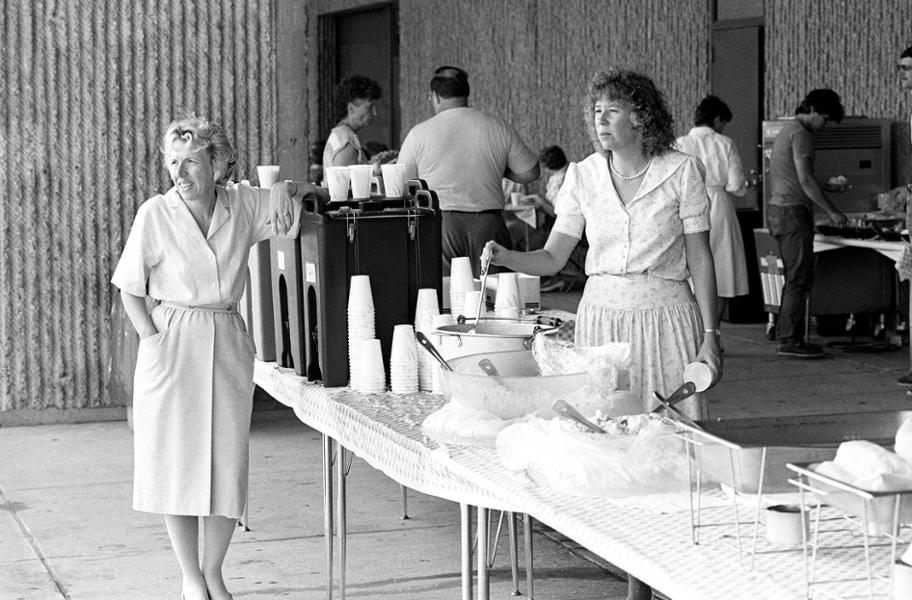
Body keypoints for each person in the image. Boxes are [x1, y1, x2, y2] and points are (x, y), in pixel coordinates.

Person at [482, 69, 722, 600]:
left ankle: (677, 570)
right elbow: (553, 258)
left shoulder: (681, 170)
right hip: (602, 323)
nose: (601, 120)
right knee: (609, 440)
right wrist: (506, 256)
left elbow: (701, 259)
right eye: (596, 111)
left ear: (642, 117)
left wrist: (711, 334)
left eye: (613, 110)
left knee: (670, 443)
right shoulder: (584, 175)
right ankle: (633, 573)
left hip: (667, 317)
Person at [112, 115, 328, 600]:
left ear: (218, 163)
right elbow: (129, 288)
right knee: (175, 463)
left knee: (226, 463)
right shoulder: (155, 213)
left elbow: (312, 199)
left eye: (190, 161)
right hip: (172, 338)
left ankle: (214, 572)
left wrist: (290, 188)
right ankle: (190, 577)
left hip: (225, 334)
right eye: (172, 162)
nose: (179, 172)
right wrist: (152, 339)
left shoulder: (243, 203)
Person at [397, 65, 540, 277]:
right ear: (466, 92)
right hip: (488, 225)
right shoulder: (497, 126)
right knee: (493, 291)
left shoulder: (418, 133)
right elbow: (530, 172)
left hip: (440, 225)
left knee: (445, 291)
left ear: (435, 96)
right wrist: (499, 169)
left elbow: (403, 184)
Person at [767, 89, 848, 358]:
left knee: (795, 275)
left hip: (779, 210)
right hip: (792, 212)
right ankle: (790, 339)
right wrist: (833, 211)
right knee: (799, 277)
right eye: (824, 119)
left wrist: (824, 188)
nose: (824, 126)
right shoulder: (801, 134)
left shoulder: (788, 130)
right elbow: (805, 180)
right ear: (812, 111)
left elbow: (797, 179)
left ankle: (788, 333)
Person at [676, 95, 750, 323]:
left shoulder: (680, 143)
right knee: (722, 271)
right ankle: (712, 330)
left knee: (690, 266)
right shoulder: (724, 143)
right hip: (718, 206)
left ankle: (691, 329)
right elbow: (736, 185)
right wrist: (745, 185)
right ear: (718, 119)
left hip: (687, 207)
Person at [323, 75, 382, 168]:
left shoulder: (341, 135)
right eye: (369, 107)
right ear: (351, 108)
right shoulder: (347, 145)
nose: (374, 113)